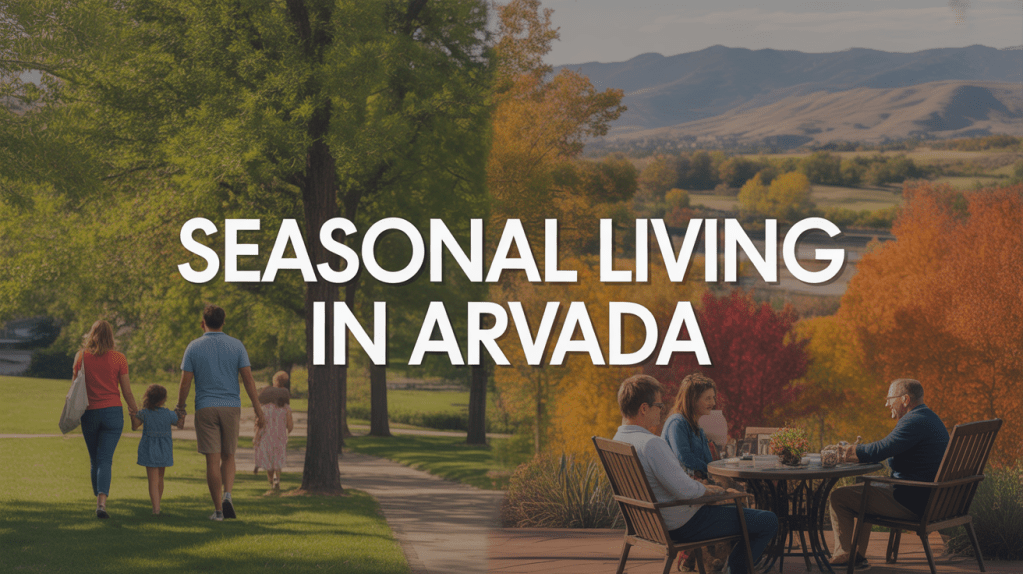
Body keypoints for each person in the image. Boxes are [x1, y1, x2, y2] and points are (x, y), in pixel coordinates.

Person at [613, 375, 777, 574]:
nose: (662, 410)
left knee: (741, 510)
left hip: (649, 524)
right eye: (659, 405)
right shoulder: (651, 444)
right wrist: (715, 491)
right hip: (681, 524)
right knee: (767, 520)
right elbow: (685, 490)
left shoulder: (619, 439)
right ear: (644, 408)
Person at [827, 378, 950, 569]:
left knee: (839, 497)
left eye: (889, 399)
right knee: (864, 491)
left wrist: (847, 451)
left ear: (905, 400)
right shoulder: (930, 418)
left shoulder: (914, 421)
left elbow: (881, 449)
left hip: (912, 501)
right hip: (930, 500)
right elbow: (887, 448)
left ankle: (845, 555)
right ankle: (856, 555)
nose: (887, 404)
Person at [175, 304, 265, 521]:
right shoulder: (237, 345)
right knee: (229, 456)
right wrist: (258, 409)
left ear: (202, 323)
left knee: (212, 460)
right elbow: (248, 379)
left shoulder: (193, 347)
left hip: (205, 407)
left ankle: (218, 511)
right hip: (231, 407)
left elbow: (185, 382)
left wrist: (180, 408)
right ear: (223, 322)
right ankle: (228, 495)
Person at [74, 319, 140, 519]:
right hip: (113, 413)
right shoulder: (119, 358)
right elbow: (127, 391)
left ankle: (99, 500)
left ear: (91, 335)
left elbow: (75, 388)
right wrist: (135, 412)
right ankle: (101, 503)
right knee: (105, 459)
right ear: (111, 336)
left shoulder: (81, 357)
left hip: (90, 413)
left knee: (95, 459)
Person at [130, 384, 183, 515]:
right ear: (163, 400)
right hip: (164, 449)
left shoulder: (144, 413)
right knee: (160, 478)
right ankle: (157, 506)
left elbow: (134, 426)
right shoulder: (169, 414)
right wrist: (182, 413)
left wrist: (132, 415)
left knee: (153, 480)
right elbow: (179, 424)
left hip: (150, 449)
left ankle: (156, 509)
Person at [662, 373, 717, 479]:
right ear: (692, 400)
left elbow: (708, 460)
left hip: (697, 481)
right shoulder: (677, 423)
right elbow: (685, 457)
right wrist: (711, 471)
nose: (713, 403)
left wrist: (713, 471)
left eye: (713, 398)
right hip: (680, 484)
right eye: (708, 398)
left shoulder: (697, 427)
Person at [253, 371, 294, 493]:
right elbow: (290, 425)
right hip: (280, 437)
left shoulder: (265, 408)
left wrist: (256, 437)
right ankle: (277, 479)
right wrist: (287, 432)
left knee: (269, 462)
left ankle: (271, 481)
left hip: (267, 437)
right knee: (278, 460)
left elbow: (260, 424)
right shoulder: (286, 408)